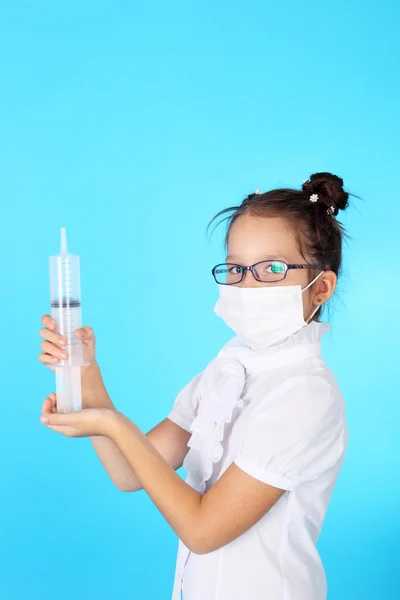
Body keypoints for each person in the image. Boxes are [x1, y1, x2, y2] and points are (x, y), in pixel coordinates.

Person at [38, 171, 354, 600]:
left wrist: (113, 424)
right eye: (237, 268)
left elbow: (203, 531)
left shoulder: (305, 395)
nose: (247, 284)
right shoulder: (227, 369)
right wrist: (86, 373)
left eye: (272, 269)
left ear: (321, 289)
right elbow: (131, 471)